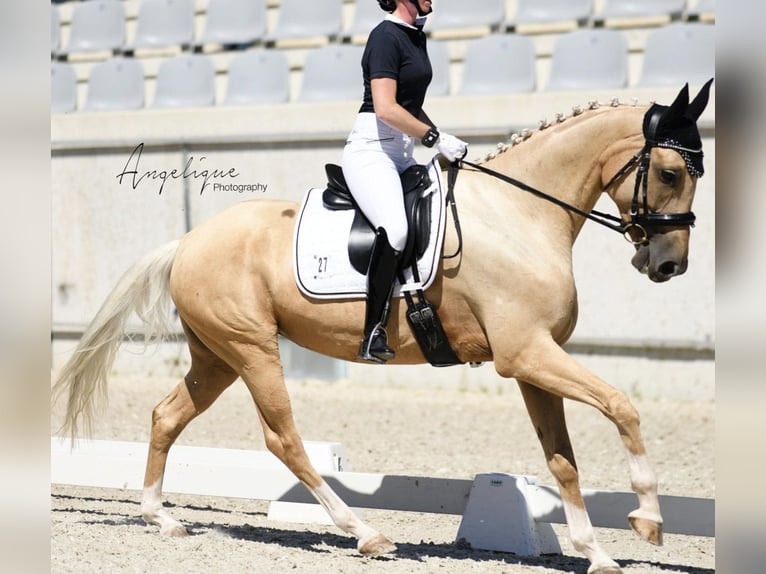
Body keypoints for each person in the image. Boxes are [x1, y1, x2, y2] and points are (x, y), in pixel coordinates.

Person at [342, 0, 468, 363]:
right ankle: (372, 332)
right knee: (395, 229)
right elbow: (385, 107)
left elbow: (408, 103)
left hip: (401, 151)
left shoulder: (415, 36)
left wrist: (440, 133)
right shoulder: (384, 37)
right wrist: (433, 138)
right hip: (372, 151)